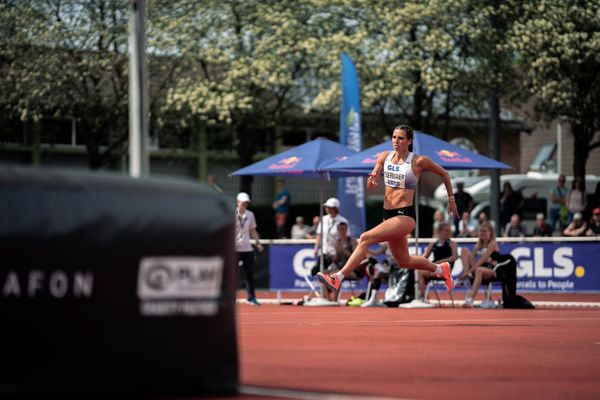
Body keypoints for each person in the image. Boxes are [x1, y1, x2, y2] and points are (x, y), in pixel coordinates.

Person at [316, 125, 457, 295]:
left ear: (409, 141)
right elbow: (370, 184)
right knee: (404, 261)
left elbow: (444, 173)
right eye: (394, 137)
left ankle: (337, 277)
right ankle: (441, 269)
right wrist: (373, 178)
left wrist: (451, 199)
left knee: (365, 238)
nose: (396, 141)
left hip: (405, 215)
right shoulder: (384, 157)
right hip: (388, 215)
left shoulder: (418, 161)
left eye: (400, 138)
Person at [459, 222, 500, 308]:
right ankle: (467, 277)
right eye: (481, 231)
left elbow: (482, 259)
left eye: (484, 231)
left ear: (490, 233)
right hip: (481, 267)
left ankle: (470, 300)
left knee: (479, 270)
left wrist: (470, 271)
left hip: (492, 270)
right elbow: (472, 257)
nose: (482, 233)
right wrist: (467, 272)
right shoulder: (479, 245)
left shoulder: (492, 243)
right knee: (464, 250)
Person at [235, 192, 264, 305]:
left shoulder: (250, 215)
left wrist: (258, 243)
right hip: (234, 248)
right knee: (232, 274)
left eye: (247, 202)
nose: (245, 204)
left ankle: (251, 297)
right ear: (238, 202)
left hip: (247, 248)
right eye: (243, 202)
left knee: (250, 274)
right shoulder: (232, 214)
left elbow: (253, 231)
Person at [418, 223, 458, 302]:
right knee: (417, 272)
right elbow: (424, 256)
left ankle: (421, 297)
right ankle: (420, 296)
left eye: (449, 231)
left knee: (420, 273)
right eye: (446, 230)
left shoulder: (452, 244)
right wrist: (415, 260)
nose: (448, 232)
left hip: (445, 269)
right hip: (435, 268)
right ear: (440, 231)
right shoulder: (433, 244)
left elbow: (454, 257)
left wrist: (440, 262)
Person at [312, 198, 349, 272]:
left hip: (336, 253)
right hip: (324, 251)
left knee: (332, 272)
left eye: (330, 207)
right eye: (327, 207)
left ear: (336, 208)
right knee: (315, 270)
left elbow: (346, 238)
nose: (327, 209)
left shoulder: (343, 221)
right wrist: (316, 248)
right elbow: (319, 234)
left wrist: (339, 251)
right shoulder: (324, 219)